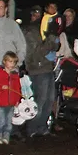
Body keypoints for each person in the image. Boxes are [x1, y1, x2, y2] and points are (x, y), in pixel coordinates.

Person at [23, 8, 58, 138]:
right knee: (40, 99)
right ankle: (32, 128)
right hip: (37, 69)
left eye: (39, 15)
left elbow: (54, 47)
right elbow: (37, 52)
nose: (37, 17)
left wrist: (54, 37)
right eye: (34, 14)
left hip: (48, 68)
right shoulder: (29, 31)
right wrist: (50, 39)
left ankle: (42, 127)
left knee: (49, 100)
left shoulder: (44, 29)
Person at [0, 52, 22, 144]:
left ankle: (6, 136)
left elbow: (18, 88)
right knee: (1, 121)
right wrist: (0, 87)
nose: (12, 64)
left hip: (11, 103)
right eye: (10, 61)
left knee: (9, 122)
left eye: (14, 62)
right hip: (0, 103)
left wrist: (17, 100)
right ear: (4, 61)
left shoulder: (15, 75)